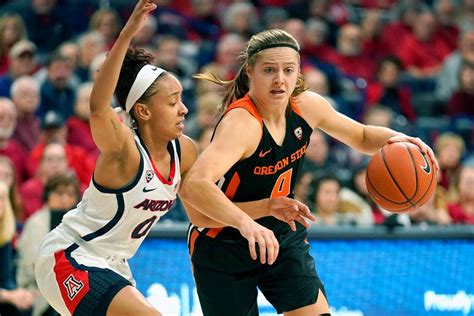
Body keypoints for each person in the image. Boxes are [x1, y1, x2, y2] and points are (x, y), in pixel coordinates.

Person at [33, 2, 308, 315]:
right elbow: (98, 106)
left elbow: (204, 216)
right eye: (173, 102)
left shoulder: (185, 151)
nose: (184, 109)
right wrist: (126, 34)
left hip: (114, 266)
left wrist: (264, 208)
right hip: (72, 254)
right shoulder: (124, 149)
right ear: (144, 111)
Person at [180, 29, 439, 315]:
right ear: (250, 72)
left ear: (299, 72)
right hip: (223, 239)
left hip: (280, 231)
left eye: (288, 70)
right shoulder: (242, 124)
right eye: (269, 70)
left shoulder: (306, 106)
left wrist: (401, 139)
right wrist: (249, 220)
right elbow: (194, 187)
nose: (280, 79)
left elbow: (363, 137)